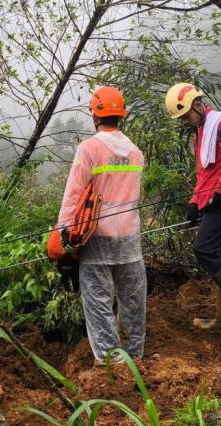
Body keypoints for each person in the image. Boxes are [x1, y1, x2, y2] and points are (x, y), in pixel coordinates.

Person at [57, 86, 147, 366]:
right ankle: (134, 355)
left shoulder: (90, 148)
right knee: (132, 298)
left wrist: (64, 230)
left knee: (97, 300)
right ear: (122, 115)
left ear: (94, 115)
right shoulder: (135, 152)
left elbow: (75, 192)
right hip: (129, 235)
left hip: (96, 236)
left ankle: (110, 362)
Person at [165, 82, 221, 334]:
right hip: (212, 197)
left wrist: (219, 192)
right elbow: (203, 173)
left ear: (197, 105)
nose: (184, 121)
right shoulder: (202, 132)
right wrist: (194, 203)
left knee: (203, 249)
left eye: (185, 116)